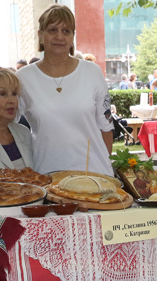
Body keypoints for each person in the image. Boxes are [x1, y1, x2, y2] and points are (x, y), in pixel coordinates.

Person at [16, 5, 113, 175]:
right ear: (40, 35)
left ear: (72, 37)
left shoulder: (92, 72)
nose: (59, 36)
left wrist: (105, 164)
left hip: (94, 174)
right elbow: (8, 125)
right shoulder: (23, 78)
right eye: (53, 30)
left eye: (66, 31)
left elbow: (106, 127)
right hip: (46, 175)